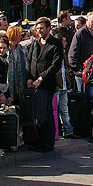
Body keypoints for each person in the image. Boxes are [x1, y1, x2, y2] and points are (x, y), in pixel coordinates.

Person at [26, 17, 63, 152]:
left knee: (46, 113)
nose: (39, 31)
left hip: (46, 85)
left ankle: (48, 143)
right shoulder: (35, 43)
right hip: (34, 84)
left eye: (42, 28)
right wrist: (29, 78)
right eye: (38, 28)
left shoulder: (55, 44)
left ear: (48, 28)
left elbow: (55, 65)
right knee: (37, 114)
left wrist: (40, 79)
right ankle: (39, 141)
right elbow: (30, 60)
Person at [68, 12, 93, 109]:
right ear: (87, 21)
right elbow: (72, 54)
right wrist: (78, 70)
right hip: (83, 74)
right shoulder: (80, 34)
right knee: (83, 100)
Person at [51, 28, 76, 139]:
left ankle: (68, 130)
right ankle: (56, 131)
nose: (66, 43)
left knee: (64, 110)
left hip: (64, 86)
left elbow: (65, 70)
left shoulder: (64, 53)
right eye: (64, 41)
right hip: (57, 87)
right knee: (55, 111)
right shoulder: (55, 54)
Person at [6, 26, 28, 103]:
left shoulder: (21, 49)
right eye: (18, 34)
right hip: (8, 81)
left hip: (20, 81)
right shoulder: (6, 49)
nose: (20, 36)